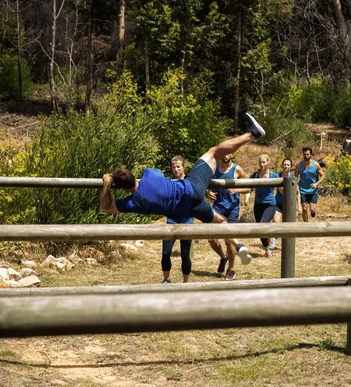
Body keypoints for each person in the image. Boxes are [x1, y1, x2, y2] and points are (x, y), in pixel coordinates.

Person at [101, 113, 265, 239]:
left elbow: (106, 207)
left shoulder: (134, 202)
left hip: (185, 208)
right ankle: (251, 134)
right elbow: (157, 175)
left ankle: (236, 247)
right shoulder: (149, 174)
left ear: (122, 188)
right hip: (191, 189)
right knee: (213, 152)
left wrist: (107, 185)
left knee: (220, 222)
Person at [208, 153, 251, 281]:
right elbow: (207, 183)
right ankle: (223, 257)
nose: (225, 155)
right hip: (217, 208)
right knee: (211, 239)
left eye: (227, 153)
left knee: (229, 240)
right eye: (223, 153)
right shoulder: (214, 168)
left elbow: (250, 187)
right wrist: (209, 192)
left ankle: (231, 269)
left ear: (232, 154)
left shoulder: (237, 169)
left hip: (232, 209)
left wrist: (237, 190)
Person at [161, 156, 193, 284]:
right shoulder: (169, 182)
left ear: (184, 167)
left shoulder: (190, 182)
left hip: (187, 222)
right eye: (174, 167)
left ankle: (186, 283)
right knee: (165, 253)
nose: (176, 169)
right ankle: (166, 279)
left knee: (185, 255)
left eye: (178, 166)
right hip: (171, 222)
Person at [245, 154, 279, 258]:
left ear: (268, 162)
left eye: (264, 162)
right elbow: (249, 188)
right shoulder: (254, 175)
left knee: (262, 224)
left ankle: (270, 237)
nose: (262, 164)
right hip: (258, 204)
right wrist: (247, 198)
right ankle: (267, 250)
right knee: (259, 228)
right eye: (260, 162)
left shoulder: (274, 176)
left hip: (270, 204)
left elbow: (282, 188)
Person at [271, 158, 302, 249]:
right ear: (282, 165)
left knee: (288, 227)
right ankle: (272, 240)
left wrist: (299, 205)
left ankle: (288, 246)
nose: (286, 166)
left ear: (290, 167)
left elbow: (297, 193)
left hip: (289, 205)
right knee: (276, 221)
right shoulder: (277, 176)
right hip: (278, 203)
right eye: (284, 164)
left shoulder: (293, 178)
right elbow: (282, 191)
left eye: (288, 165)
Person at [295, 147, 325, 222]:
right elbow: (295, 177)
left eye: (307, 154)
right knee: (304, 208)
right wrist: (296, 188)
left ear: (311, 155)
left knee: (312, 209)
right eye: (304, 154)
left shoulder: (316, 165)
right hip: (302, 190)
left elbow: (323, 176)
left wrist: (316, 184)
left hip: (313, 191)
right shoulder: (299, 165)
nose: (306, 156)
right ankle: (306, 224)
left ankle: (313, 212)